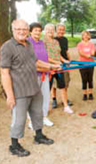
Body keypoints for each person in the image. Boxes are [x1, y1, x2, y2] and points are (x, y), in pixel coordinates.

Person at [1, 19, 58, 157]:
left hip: (34, 87)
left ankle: (39, 136)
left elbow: (36, 62)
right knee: (19, 119)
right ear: (13, 30)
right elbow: (4, 72)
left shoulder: (28, 44)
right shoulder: (7, 47)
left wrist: (51, 66)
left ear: (27, 31)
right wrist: (9, 95)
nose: (21, 32)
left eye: (24, 29)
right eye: (18, 29)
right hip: (19, 91)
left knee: (38, 113)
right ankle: (14, 145)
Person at [27, 22, 53, 127]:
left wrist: (53, 66)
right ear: (30, 32)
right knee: (32, 97)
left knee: (45, 96)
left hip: (44, 73)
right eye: (35, 30)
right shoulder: (27, 43)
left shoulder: (42, 43)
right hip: (33, 74)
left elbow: (45, 57)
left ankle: (44, 117)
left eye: (39, 30)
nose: (37, 32)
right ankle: (31, 120)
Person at [43, 23, 73, 114]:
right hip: (50, 68)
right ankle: (44, 109)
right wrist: (56, 63)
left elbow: (59, 55)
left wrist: (65, 60)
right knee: (47, 89)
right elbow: (45, 57)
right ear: (45, 31)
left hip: (59, 68)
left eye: (52, 30)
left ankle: (66, 106)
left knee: (63, 87)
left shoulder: (56, 42)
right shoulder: (43, 42)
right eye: (48, 29)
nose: (50, 31)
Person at [53, 23, 73, 108]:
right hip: (55, 63)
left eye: (63, 29)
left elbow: (66, 51)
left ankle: (64, 99)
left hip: (65, 64)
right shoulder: (53, 40)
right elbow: (56, 53)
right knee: (54, 83)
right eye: (59, 29)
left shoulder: (65, 39)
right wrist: (62, 61)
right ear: (56, 30)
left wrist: (69, 59)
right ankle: (54, 99)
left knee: (65, 82)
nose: (61, 31)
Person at [77, 30, 96, 101]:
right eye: (84, 35)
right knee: (84, 79)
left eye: (86, 35)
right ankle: (84, 94)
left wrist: (90, 55)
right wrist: (87, 55)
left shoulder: (91, 44)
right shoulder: (80, 44)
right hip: (82, 63)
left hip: (91, 63)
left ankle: (90, 93)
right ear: (82, 36)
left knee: (90, 79)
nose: (85, 36)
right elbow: (80, 52)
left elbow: (93, 52)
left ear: (89, 36)